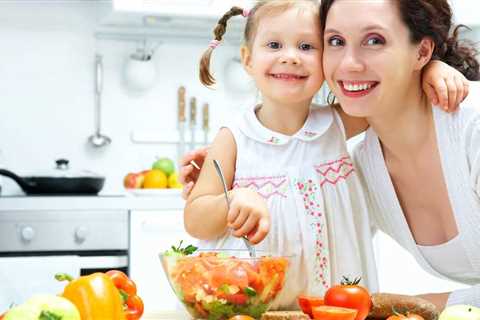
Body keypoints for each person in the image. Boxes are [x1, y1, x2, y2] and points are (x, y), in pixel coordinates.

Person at [182, 0, 470, 310]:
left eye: (307, 46)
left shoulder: (336, 122)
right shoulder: (235, 137)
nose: (290, 57)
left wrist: (431, 68)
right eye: (275, 45)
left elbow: (397, 93)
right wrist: (233, 199)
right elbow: (195, 219)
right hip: (253, 304)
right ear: (248, 60)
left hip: (334, 302)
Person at [319, 0, 480, 309]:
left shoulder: (472, 130)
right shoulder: (362, 169)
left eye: (375, 40)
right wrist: (236, 154)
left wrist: (414, 305)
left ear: (421, 52)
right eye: (336, 41)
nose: (349, 63)